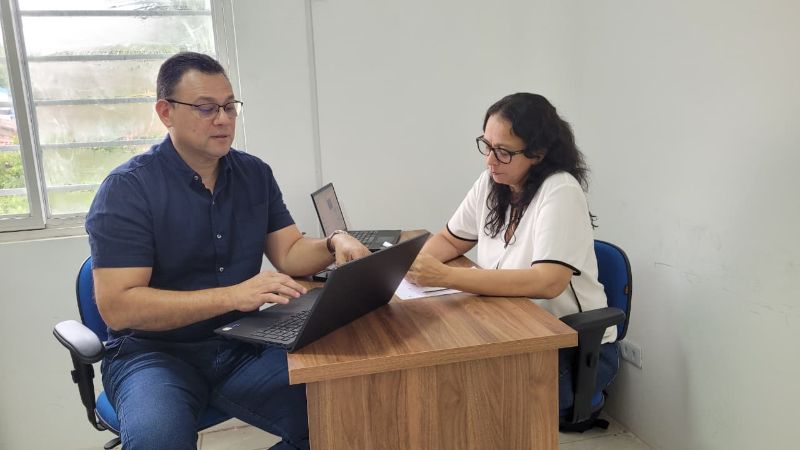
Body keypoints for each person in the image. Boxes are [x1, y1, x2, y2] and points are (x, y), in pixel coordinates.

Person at [85, 52, 370, 450]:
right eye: (206, 108)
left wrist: (333, 241)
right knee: (158, 441)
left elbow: (289, 252)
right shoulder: (127, 189)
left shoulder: (254, 173)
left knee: (346, 414)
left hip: (242, 344)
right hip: (154, 354)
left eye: (229, 106)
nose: (223, 119)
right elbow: (119, 307)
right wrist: (233, 296)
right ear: (166, 112)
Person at [406, 92, 618, 415]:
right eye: (487, 146)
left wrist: (446, 276)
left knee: (462, 396)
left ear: (538, 153)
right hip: (509, 330)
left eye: (503, 152)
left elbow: (547, 282)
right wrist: (413, 266)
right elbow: (450, 239)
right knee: (439, 377)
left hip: (567, 350)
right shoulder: (492, 181)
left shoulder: (560, 190)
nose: (490, 160)